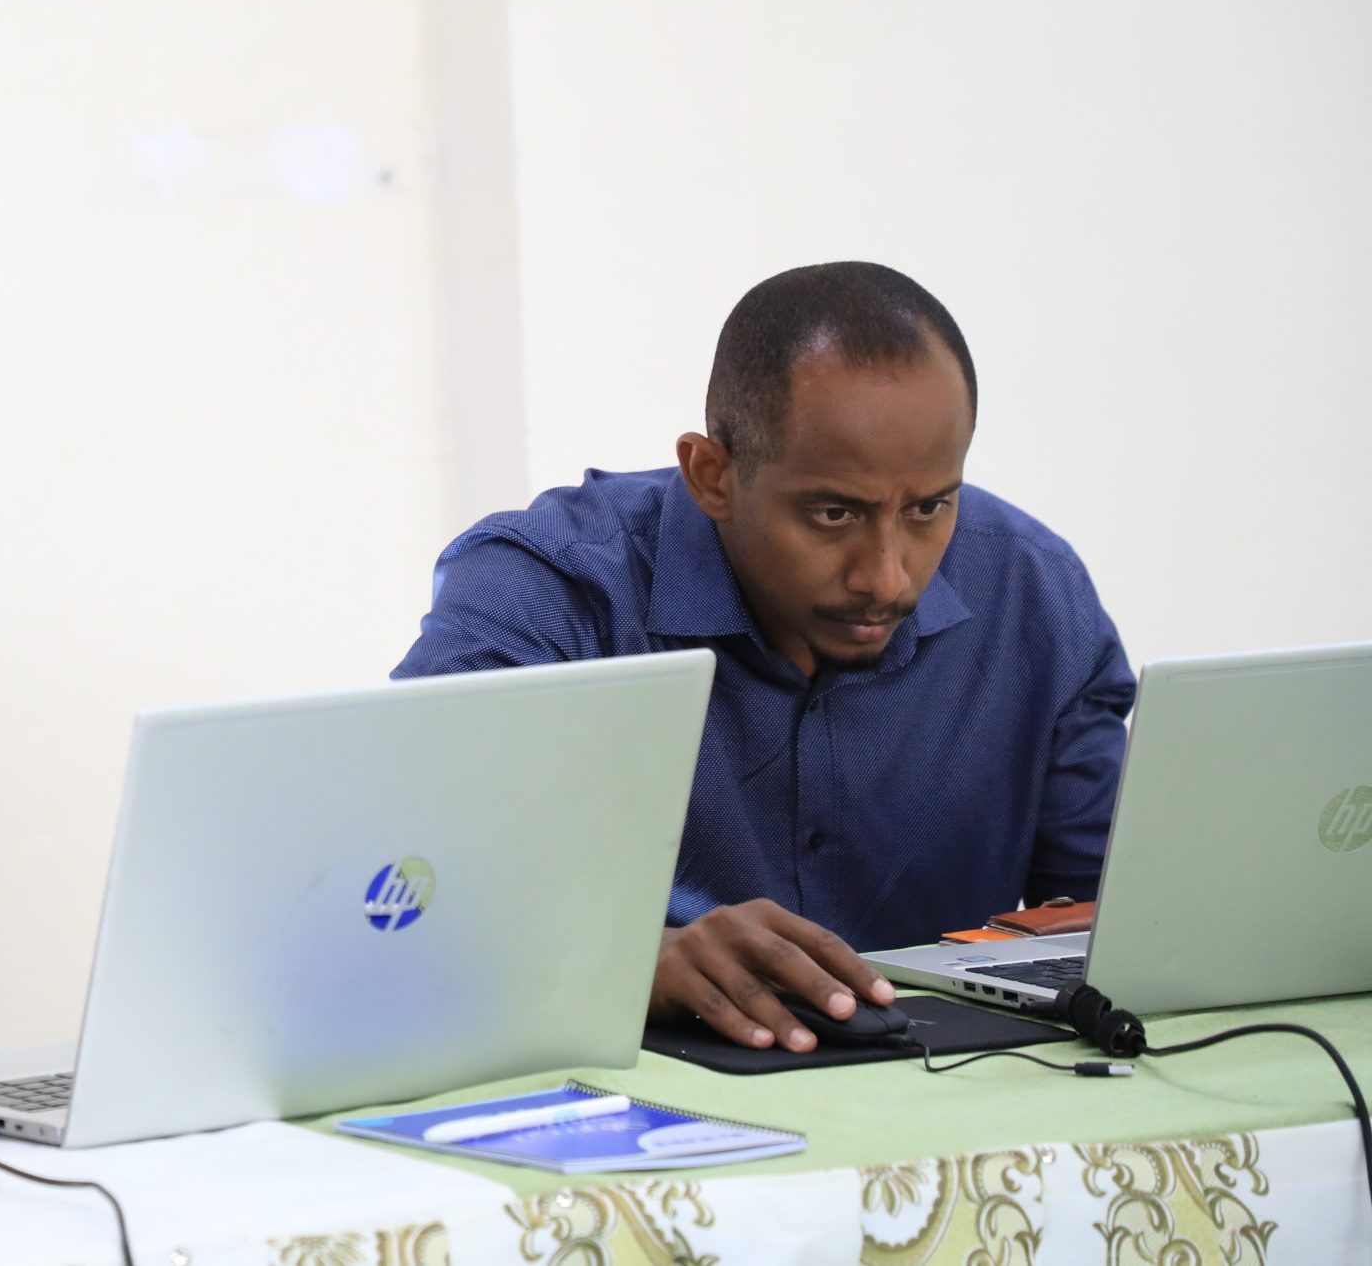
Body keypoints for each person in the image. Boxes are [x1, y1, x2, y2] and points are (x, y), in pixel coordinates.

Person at [396, 263, 1132, 1054]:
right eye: (832, 512)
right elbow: (400, 896)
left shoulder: (1036, 595)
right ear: (712, 474)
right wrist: (631, 962)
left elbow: (1117, 921)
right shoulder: (549, 593)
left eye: (929, 507)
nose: (886, 574)